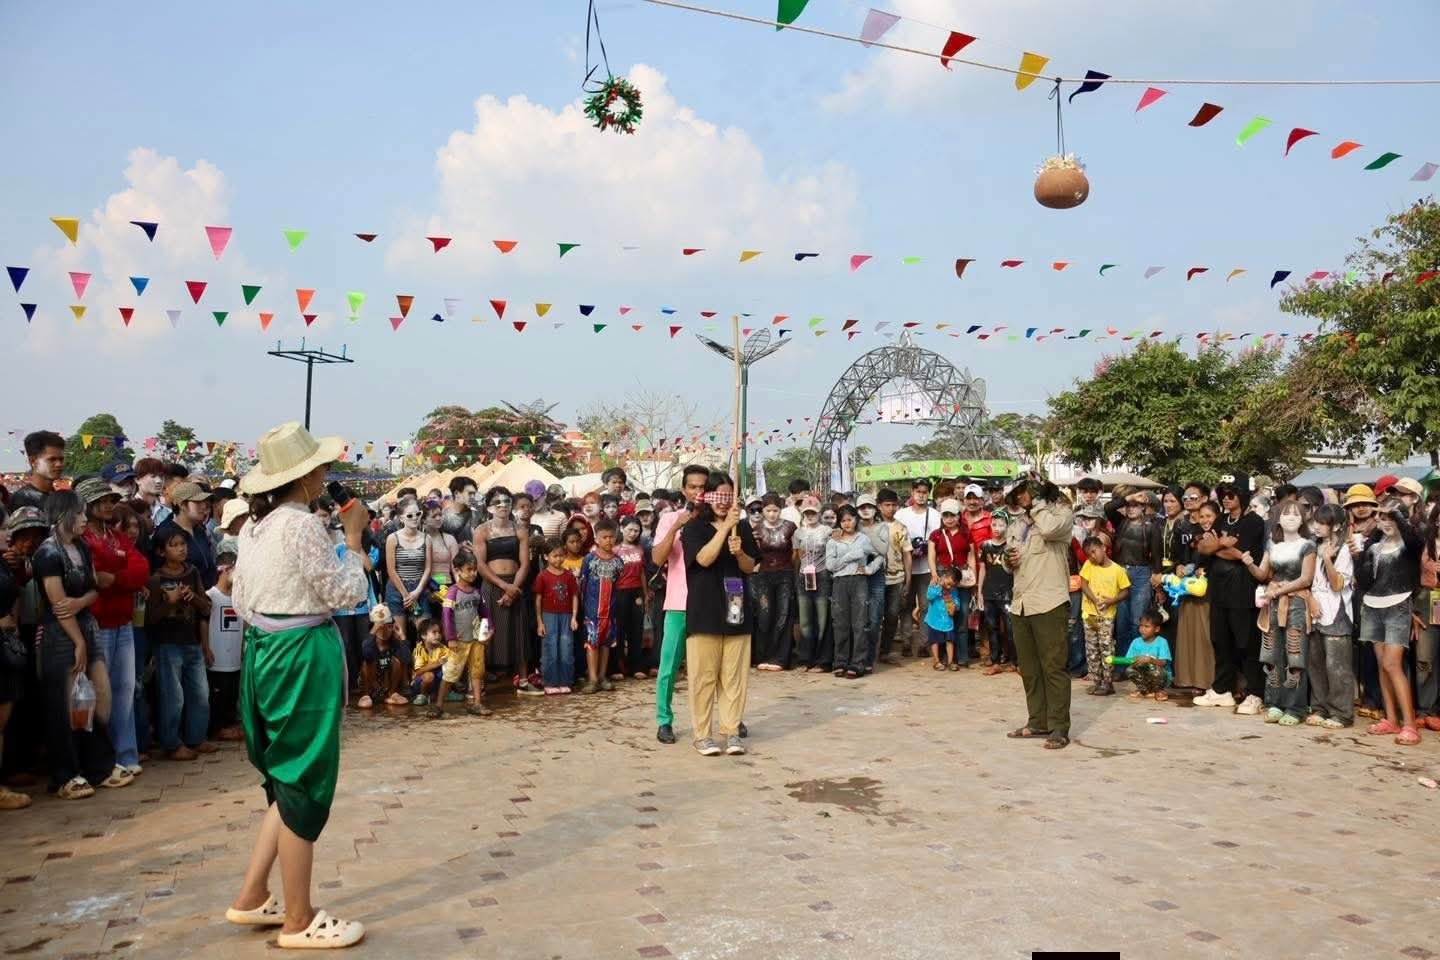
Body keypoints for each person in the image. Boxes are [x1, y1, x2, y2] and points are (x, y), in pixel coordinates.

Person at [226, 422, 369, 949]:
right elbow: (344, 593)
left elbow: (241, 599)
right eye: (322, 468)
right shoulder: (303, 525)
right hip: (299, 655)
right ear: (306, 476)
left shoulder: (254, 527)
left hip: (263, 649)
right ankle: (299, 919)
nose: (326, 475)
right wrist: (352, 539)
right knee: (304, 779)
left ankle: (252, 895)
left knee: (285, 776)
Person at [35, 491, 133, 797]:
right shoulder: (48, 553)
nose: (83, 519)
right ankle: (66, 774)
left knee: (99, 700)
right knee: (66, 706)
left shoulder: (81, 546)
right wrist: (78, 641)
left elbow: (91, 590)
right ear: (64, 515)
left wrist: (80, 604)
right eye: (78, 513)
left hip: (88, 626)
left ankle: (98, 766)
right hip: (61, 636)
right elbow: (58, 605)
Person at [680, 472, 760, 757]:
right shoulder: (694, 527)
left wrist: (740, 554)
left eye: (729, 496)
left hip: (736, 606)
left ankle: (732, 730)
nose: (724, 502)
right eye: (718, 496)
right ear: (707, 497)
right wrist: (725, 528)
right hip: (704, 610)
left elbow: (750, 566)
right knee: (703, 678)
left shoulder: (743, 528)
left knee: (734, 676)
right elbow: (703, 559)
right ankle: (702, 735)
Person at [79, 478, 149, 775]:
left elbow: (140, 569)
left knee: (125, 689)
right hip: (99, 624)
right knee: (101, 693)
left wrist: (116, 578)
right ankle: (105, 758)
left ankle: (126, 755)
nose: (108, 505)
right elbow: (94, 575)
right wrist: (119, 575)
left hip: (123, 622)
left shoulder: (115, 536)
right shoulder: (83, 538)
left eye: (110, 500)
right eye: (102, 501)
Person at [1003, 474, 1076, 750]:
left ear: (1036, 491)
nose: (1020, 498)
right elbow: (1009, 557)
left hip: (1049, 602)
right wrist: (1007, 560)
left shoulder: (1060, 514)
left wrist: (1038, 504)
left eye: (1024, 491)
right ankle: (1037, 721)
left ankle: (1059, 727)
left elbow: (1047, 530)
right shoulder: (1017, 523)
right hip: (1021, 602)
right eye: (1017, 494)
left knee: (1053, 667)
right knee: (1030, 668)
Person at [1354, 498, 1425, 745]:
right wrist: (1360, 554)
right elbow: (1364, 580)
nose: (1386, 522)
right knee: (1382, 664)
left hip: (1398, 604)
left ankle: (1410, 724)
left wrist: (1395, 513)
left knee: (1393, 664)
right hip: (1373, 605)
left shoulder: (1409, 544)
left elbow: (1414, 539)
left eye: (1391, 518)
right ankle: (1391, 719)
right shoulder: (1375, 546)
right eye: (1382, 518)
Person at [1241, 500, 1317, 726]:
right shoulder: (1272, 544)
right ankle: (1274, 702)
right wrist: (1250, 564)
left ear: (1302, 520)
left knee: (1295, 655)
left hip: (1296, 603)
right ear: (1278, 519)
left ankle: (1296, 707)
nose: (1291, 517)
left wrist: (1278, 591)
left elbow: (1306, 579)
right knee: (1272, 655)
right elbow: (1263, 574)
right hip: (1273, 604)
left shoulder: (1308, 545)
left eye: (1296, 514)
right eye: (1286, 513)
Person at [1193, 482, 1266, 714]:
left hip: (1242, 590)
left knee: (1246, 643)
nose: (1226, 498)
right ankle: (1222, 689)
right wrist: (1221, 544)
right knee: (1220, 640)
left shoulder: (1253, 521)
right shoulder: (1222, 519)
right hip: (1219, 590)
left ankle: (1255, 692)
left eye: (1231, 494)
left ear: (1242, 495)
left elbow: (1239, 553)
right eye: (1223, 494)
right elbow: (1203, 547)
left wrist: (1217, 546)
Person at [651, 465, 710, 745]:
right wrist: (677, 526)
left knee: (714, 666)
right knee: (669, 666)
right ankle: (664, 720)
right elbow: (657, 558)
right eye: (693, 487)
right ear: (684, 489)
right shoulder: (669, 518)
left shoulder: (717, 519)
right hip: (678, 602)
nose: (698, 492)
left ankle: (729, 716)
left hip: (710, 602)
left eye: (703, 487)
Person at [147, 524, 215, 760]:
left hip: (192, 641)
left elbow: (206, 607)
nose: (180, 549)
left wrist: (192, 597)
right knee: (172, 696)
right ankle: (171, 743)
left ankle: (197, 737)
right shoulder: (156, 579)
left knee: (200, 693)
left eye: (183, 544)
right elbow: (151, 618)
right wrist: (170, 602)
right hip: (167, 644)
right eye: (173, 545)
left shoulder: (192, 572)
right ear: (161, 551)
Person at [0, 508, 47, 809]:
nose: (27, 542)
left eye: (34, 536)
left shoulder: (18, 563)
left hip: (15, 640)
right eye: (21, 535)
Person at [474, 487, 536, 695]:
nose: (502, 505)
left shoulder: (520, 530)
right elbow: (480, 565)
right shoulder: (481, 531)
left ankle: (523, 680)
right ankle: (479, 682)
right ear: (489, 507)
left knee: (519, 633)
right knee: (486, 634)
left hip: (515, 584)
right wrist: (504, 587)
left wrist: (513, 589)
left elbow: (525, 563)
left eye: (507, 501)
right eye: (497, 502)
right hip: (492, 585)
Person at [1305, 504, 1355, 729]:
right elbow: (1307, 580)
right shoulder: (1312, 546)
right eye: (1315, 521)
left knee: (1337, 666)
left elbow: (1337, 585)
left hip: (1337, 613)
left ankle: (1341, 713)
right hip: (1315, 611)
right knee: (1316, 663)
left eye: (1322, 523)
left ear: (1335, 526)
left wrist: (1327, 559)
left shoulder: (1344, 550)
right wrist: (1310, 600)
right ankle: (1319, 707)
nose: (1316, 526)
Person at [1103, 486, 1163, 664]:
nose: (1131, 508)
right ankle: (1122, 665)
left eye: (1136, 505)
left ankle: (1137, 664)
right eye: (1129, 505)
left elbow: (1157, 555)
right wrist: (1129, 497)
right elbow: (1108, 507)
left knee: (1138, 622)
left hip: (1141, 574)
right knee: (1121, 622)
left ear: (1143, 507)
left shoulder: (1152, 526)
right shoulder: (1120, 521)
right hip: (1121, 572)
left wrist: (1158, 582)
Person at [435, 548, 492, 717]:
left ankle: (477, 703)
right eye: (469, 569)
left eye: (475, 569)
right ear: (458, 570)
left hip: (476, 640)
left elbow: (485, 613)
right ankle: (438, 705)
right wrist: (451, 637)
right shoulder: (452, 593)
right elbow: (446, 616)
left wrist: (489, 630)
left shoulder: (476, 592)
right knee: (451, 672)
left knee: (477, 671)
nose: (473, 573)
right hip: (459, 641)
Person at [827, 505, 881, 679]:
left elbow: (880, 555)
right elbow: (830, 566)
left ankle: (858, 664)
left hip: (859, 581)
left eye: (849, 519)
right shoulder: (833, 541)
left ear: (856, 520)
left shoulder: (863, 539)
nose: (846, 523)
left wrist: (870, 569)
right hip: (839, 582)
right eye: (843, 520)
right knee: (840, 624)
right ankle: (840, 662)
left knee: (860, 624)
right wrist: (850, 556)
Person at [1171, 485, 1214, 694]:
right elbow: (1177, 554)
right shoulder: (1181, 525)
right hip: (1185, 587)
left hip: (1206, 588)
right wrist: (1178, 566)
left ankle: (1205, 679)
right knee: (1186, 633)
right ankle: (1186, 678)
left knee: (1204, 633)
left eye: (1193, 497)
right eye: (1185, 497)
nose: (1188, 500)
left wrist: (1204, 570)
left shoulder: (1211, 527)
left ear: (1204, 498)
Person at [751, 494, 797, 672]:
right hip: (763, 575)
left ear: (781, 510)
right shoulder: (757, 528)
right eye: (768, 510)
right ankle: (763, 655)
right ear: (763, 510)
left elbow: (796, 552)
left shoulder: (790, 527)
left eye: (775, 510)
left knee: (783, 615)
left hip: (785, 574)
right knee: (764, 615)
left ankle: (781, 658)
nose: (772, 514)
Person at [579, 519, 625, 694]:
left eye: (611, 537)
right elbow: (582, 584)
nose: (608, 540)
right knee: (592, 643)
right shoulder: (589, 559)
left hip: (610, 610)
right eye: (604, 537)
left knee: (606, 643)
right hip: (592, 611)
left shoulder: (618, 561)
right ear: (597, 539)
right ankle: (592, 679)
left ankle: (602, 676)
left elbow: (618, 582)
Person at [1080, 535, 1130, 696]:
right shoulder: (1089, 565)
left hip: (1106, 616)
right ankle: (1096, 681)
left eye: (1094, 552)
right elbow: (1083, 584)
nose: (1092, 557)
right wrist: (1094, 600)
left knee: (1106, 648)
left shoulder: (1117, 570)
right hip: (1089, 614)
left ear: (1103, 548)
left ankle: (1107, 683)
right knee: (1092, 649)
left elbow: (1125, 591)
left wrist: (1111, 601)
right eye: (1089, 554)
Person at [896, 479, 942, 657]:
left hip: (927, 569)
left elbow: (938, 539)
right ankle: (906, 641)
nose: (921, 495)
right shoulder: (902, 514)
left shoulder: (935, 515)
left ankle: (924, 643)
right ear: (912, 492)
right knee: (905, 606)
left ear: (928, 494)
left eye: (924, 492)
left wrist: (926, 549)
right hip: (905, 568)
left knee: (926, 606)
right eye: (918, 491)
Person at [927, 498, 975, 666]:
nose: (949, 519)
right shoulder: (936, 535)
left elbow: (971, 556)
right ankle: (942, 656)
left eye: (952, 515)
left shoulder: (966, 534)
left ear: (958, 516)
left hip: (962, 579)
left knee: (962, 614)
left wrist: (974, 579)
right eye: (946, 515)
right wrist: (934, 575)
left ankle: (961, 656)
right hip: (943, 579)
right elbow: (931, 556)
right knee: (942, 614)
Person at [206, 549, 244, 741]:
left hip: (235, 658)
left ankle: (230, 724)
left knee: (232, 693)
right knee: (217, 695)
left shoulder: (239, 598)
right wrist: (206, 648)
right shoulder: (210, 596)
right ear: (226, 570)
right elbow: (203, 623)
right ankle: (216, 728)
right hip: (217, 659)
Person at [792, 497, 833, 673]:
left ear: (819, 513)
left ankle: (823, 660)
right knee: (805, 620)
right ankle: (805, 658)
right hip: (804, 576)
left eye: (813, 513)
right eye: (807, 513)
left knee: (822, 619)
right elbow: (796, 557)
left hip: (822, 575)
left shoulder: (827, 531)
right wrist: (796, 577)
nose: (810, 516)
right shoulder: (798, 533)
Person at [152, 482, 217, 590]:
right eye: (197, 502)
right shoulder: (166, 532)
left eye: (204, 502)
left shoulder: (199, 530)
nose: (204, 506)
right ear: (182, 505)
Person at [535, 540, 579, 695]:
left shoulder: (569, 576)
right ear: (546, 557)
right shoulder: (542, 576)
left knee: (566, 649)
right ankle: (550, 682)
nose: (558, 559)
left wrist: (574, 617)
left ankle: (565, 681)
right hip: (549, 616)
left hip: (567, 616)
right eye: (555, 556)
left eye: (561, 555)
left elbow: (574, 596)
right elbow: (538, 599)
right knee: (550, 649)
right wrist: (540, 622)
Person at [384, 496, 430, 643]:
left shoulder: (426, 538)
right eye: (410, 515)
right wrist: (406, 595)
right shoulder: (393, 538)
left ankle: (422, 659)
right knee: (400, 636)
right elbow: (391, 570)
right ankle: (404, 659)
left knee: (425, 635)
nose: (415, 518)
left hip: (419, 588)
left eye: (418, 514)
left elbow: (428, 568)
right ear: (401, 518)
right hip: (397, 589)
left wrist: (417, 592)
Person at [874, 489, 913, 666]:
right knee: (874, 616)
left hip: (896, 577)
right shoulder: (870, 526)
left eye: (893, 505)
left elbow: (907, 554)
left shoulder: (901, 527)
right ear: (879, 506)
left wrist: (908, 580)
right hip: (875, 578)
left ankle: (885, 651)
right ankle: (869, 650)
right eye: (887, 505)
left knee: (892, 616)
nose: (890, 508)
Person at [976, 512, 1016, 675]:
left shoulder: (1010, 547)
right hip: (989, 593)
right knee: (992, 628)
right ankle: (995, 662)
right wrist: (979, 590)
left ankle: (1016, 662)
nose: (997, 528)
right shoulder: (985, 546)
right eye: (994, 525)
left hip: (1008, 593)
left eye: (1001, 525)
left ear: (1007, 526)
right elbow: (983, 569)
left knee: (1010, 628)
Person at [614, 515, 650, 679]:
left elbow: (642, 573)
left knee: (636, 630)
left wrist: (646, 593)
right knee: (619, 630)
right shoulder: (615, 550)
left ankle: (637, 666)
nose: (633, 533)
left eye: (636, 530)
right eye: (630, 529)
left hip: (637, 592)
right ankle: (618, 667)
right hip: (619, 592)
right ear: (622, 529)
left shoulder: (640, 550)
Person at [360, 607, 410, 708]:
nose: (385, 630)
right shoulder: (369, 642)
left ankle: (392, 693)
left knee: (397, 661)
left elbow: (406, 658)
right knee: (366, 663)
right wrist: (374, 629)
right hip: (372, 682)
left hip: (387, 682)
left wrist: (402, 636)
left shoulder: (394, 643)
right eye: (381, 627)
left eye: (389, 627)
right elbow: (366, 654)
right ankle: (366, 695)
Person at [10, 430, 66, 511]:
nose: (59, 464)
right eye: (52, 459)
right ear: (33, 461)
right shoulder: (23, 499)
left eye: (61, 459)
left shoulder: (61, 497)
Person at [1123, 610, 1172, 701]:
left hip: (1160, 677)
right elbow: (1128, 660)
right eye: (1141, 626)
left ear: (1157, 629)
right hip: (1144, 675)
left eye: (1146, 626)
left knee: (1156, 670)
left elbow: (1164, 662)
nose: (1142, 629)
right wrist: (1135, 659)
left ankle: (1159, 690)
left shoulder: (1162, 642)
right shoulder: (1136, 642)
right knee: (1129, 670)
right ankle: (1144, 690)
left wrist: (1150, 660)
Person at [422, 499, 459, 605]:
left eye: (440, 515)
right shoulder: (418, 540)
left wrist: (460, 588)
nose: (438, 518)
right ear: (424, 520)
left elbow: (456, 568)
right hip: (424, 588)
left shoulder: (450, 539)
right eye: (434, 516)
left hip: (446, 587)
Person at [924, 567, 961, 670]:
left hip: (948, 620)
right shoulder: (935, 583)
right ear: (945, 576)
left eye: (952, 586)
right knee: (934, 641)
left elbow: (957, 601)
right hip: (934, 619)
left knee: (950, 641)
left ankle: (950, 662)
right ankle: (936, 661)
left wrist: (955, 606)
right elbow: (929, 596)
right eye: (948, 584)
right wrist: (939, 587)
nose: (949, 587)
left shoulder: (953, 590)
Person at [409, 619, 448, 707]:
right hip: (420, 682)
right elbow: (418, 671)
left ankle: (446, 693)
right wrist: (437, 663)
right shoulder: (419, 650)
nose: (438, 635)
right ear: (423, 635)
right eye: (434, 632)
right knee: (429, 676)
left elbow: (452, 659)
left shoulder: (442, 648)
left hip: (436, 680)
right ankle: (422, 696)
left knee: (450, 668)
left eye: (439, 632)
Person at [442, 477, 480, 546]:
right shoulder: (443, 518)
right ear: (456, 493)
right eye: (470, 493)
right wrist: (459, 546)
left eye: (474, 494)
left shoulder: (476, 513)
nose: (473, 497)